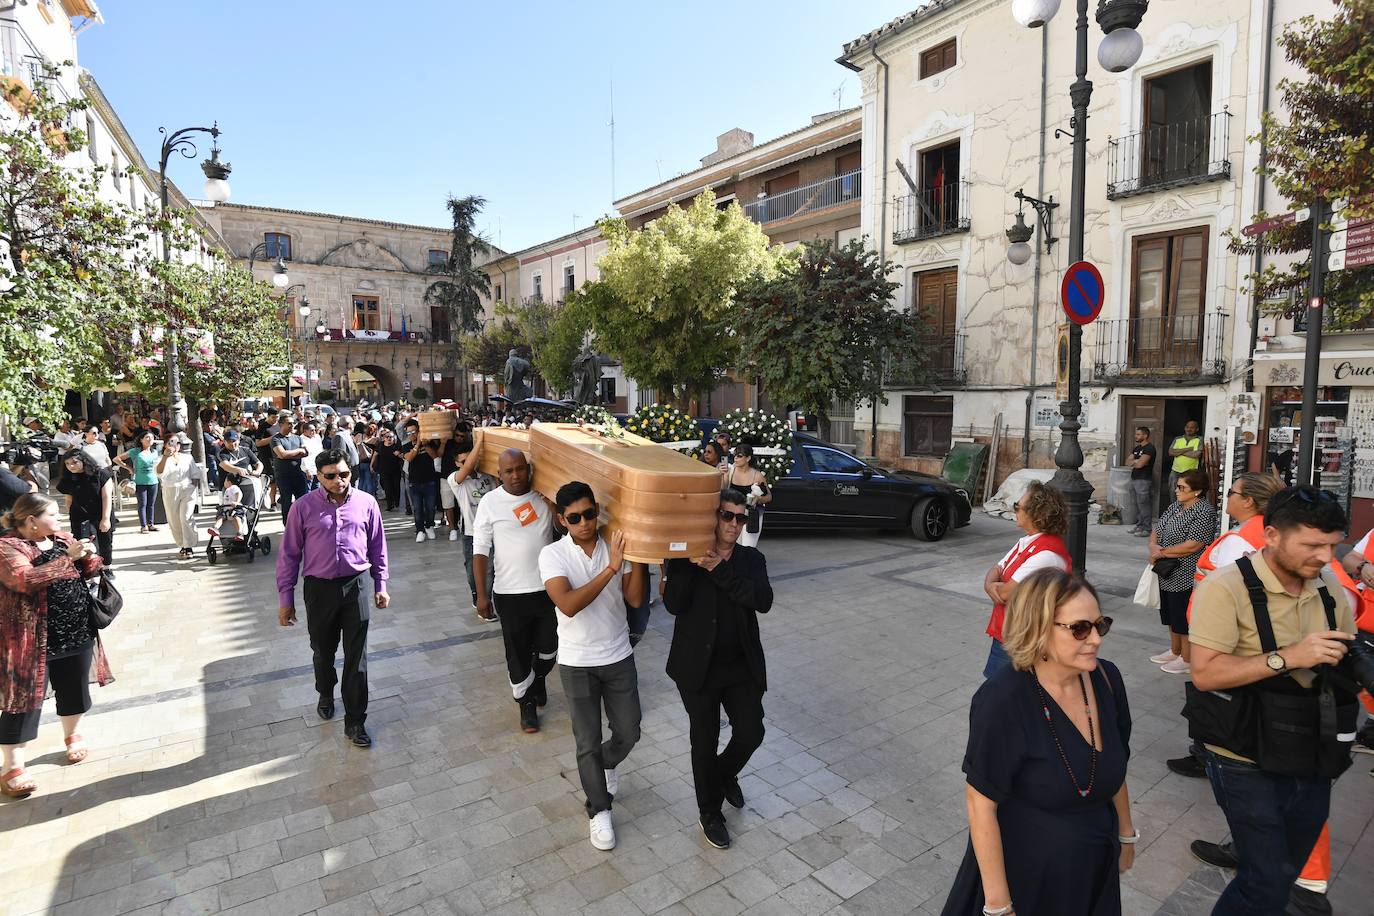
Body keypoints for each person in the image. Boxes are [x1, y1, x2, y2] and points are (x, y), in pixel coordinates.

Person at [1187, 485, 1358, 915]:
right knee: (1265, 877)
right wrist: (1290, 657)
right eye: (1312, 545)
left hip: (1310, 745)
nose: (1324, 557)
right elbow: (1205, 674)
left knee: (1285, 871)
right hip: (1243, 753)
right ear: (1273, 535)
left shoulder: (1327, 585)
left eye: (1332, 546)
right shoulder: (1226, 588)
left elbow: (1348, 649)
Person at [942, 569, 1134, 916]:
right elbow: (980, 803)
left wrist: (1126, 834)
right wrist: (999, 906)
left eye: (1100, 625)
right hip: (1027, 876)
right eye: (1080, 628)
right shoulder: (1003, 699)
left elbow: (1116, 766)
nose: (1096, 639)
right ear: (1038, 629)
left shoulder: (1107, 679)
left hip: (1093, 867)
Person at [540, 481, 648, 850]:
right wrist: (611, 569)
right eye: (574, 518)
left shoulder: (616, 544)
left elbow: (635, 600)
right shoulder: (552, 555)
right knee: (586, 741)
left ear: (597, 511)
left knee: (629, 732)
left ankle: (605, 765)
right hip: (577, 662)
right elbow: (568, 604)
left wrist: (639, 557)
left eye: (589, 514)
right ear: (562, 519)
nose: (584, 523)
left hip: (618, 655)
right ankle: (599, 809)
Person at [663, 489, 773, 850]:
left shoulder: (751, 560)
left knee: (752, 731)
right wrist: (686, 564)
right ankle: (709, 813)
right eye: (727, 515)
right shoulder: (686, 556)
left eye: (741, 518)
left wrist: (719, 569)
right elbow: (674, 604)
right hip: (698, 669)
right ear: (713, 517)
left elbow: (762, 600)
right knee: (704, 740)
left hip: (740, 666)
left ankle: (723, 774)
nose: (734, 524)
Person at [0, 494, 112, 799]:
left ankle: (73, 736)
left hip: (76, 630)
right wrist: (69, 559)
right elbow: (24, 579)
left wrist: (89, 556)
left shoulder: (62, 538)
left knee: (74, 687)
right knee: (23, 700)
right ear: (31, 520)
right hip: (30, 637)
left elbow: (88, 570)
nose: (60, 518)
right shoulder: (8, 547)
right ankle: (12, 767)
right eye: (52, 514)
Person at [276, 448, 389, 748]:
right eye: (331, 476)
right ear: (318, 476)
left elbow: (377, 546)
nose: (339, 480)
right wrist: (286, 599)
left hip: (357, 586)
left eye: (344, 474)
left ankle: (355, 721)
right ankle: (325, 692)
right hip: (319, 589)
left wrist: (381, 584)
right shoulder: (302, 507)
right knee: (323, 652)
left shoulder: (366, 503)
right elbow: (289, 555)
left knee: (357, 657)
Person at [471, 445, 558, 733]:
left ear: (529, 470)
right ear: (499, 474)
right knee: (517, 652)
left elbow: (565, 531)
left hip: (548, 589)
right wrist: (482, 595)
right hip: (509, 594)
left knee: (550, 648)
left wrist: (554, 508)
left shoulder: (544, 497)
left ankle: (538, 677)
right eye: (509, 471)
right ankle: (526, 704)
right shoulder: (490, 502)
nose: (516, 475)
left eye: (520, 469)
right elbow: (480, 550)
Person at [980, 482, 1071, 678]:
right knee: (997, 689)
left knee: (1002, 691)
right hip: (1009, 633)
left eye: (1017, 507)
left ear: (1035, 514)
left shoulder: (1046, 554)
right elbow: (997, 568)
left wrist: (994, 587)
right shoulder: (1028, 541)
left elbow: (1005, 594)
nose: (1015, 511)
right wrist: (989, 585)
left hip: (1022, 639)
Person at [1148, 469, 1216, 675]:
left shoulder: (1204, 511)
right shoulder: (1176, 505)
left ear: (1197, 491)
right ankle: (1175, 650)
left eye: (1181, 487)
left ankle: (1187, 659)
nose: (1176, 490)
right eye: (1177, 486)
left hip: (1185, 571)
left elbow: (1193, 545)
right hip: (1166, 569)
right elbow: (1157, 528)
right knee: (1169, 614)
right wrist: (1153, 546)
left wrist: (1161, 553)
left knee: (1182, 616)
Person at [446, 436, 495, 614]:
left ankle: (486, 599)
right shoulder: (455, 479)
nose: (470, 464)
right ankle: (478, 595)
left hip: (492, 531)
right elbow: (467, 468)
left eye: (472, 459)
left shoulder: (488, 477)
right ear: (457, 464)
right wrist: (480, 440)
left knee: (490, 569)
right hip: (471, 532)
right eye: (464, 461)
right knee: (471, 567)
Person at [55, 450, 114, 574]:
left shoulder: (101, 474)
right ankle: (91, 571)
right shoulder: (68, 479)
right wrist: (70, 515)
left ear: (84, 461)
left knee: (105, 542)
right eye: (67, 464)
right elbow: (69, 499)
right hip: (80, 516)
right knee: (84, 544)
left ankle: (107, 567)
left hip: (100, 513)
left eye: (74, 462)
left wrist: (105, 518)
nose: (71, 466)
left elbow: (107, 497)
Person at [157, 434, 203, 560]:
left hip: (187, 489)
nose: (175, 445)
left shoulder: (187, 457)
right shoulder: (161, 459)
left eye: (177, 443)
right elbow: (159, 472)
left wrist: (194, 488)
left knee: (186, 517)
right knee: (174, 519)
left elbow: (195, 474)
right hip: (170, 489)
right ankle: (182, 544)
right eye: (171, 442)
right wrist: (165, 457)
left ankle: (189, 545)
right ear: (165, 444)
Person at [723, 444, 771, 549]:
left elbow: (769, 497)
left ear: (748, 458)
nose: (735, 458)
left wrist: (758, 499)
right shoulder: (730, 472)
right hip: (734, 516)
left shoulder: (757, 475)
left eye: (739, 456)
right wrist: (723, 475)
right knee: (734, 547)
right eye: (735, 455)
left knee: (748, 547)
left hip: (751, 515)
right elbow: (723, 490)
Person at [115, 431, 160, 533]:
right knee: (142, 504)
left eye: (152, 438)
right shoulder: (135, 451)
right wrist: (129, 468)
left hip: (153, 480)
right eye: (147, 437)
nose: (150, 439)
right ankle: (143, 525)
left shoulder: (154, 452)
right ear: (141, 439)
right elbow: (117, 459)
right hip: (140, 481)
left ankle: (151, 523)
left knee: (151, 504)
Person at [271, 417, 310, 525]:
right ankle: (288, 525)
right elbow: (282, 454)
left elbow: (306, 452)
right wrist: (299, 451)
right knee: (286, 502)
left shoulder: (297, 438)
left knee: (303, 501)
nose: (292, 425)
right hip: (283, 476)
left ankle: (303, 524)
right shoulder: (276, 439)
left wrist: (290, 454)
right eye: (289, 423)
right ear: (281, 424)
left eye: (293, 423)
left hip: (298, 474)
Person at [403, 437, 442, 542]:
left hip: (430, 480)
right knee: (417, 508)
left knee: (430, 507)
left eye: (413, 432)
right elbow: (409, 458)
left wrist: (425, 445)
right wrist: (417, 445)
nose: (411, 435)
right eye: (409, 433)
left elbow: (435, 456)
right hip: (414, 482)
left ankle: (429, 526)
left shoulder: (429, 443)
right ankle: (420, 530)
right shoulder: (406, 446)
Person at [217, 429, 264, 511]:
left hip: (246, 483)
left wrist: (257, 471)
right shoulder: (221, 453)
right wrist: (237, 470)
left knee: (248, 509)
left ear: (238, 441)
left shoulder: (246, 450)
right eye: (229, 441)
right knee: (229, 512)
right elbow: (225, 465)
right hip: (229, 487)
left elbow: (259, 464)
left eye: (234, 441)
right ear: (224, 442)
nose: (232, 443)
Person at [1128, 426, 1156, 536]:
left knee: (1144, 504)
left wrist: (1136, 461)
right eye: (1136, 434)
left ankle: (1147, 529)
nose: (1136, 436)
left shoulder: (1149, 448)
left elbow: (1140, 465)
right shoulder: (1137, 448)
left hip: (1143, 480)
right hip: (1134, 478)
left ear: (1145, 435)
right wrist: (1138, 461)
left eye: (1138, 434)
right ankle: (1140, 525)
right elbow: (1127, 462)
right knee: (1138, 504)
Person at [1166, 419, 1203, 502]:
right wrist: (1188, 449)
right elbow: (1171, 452)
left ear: (1197, 429)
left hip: (1191, 472)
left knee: (1189, 492)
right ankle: (1174, 508)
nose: (1189, 429)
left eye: (1192, 427)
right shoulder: (1177, 439)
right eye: (1187, 427)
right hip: (1176, 470)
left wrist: (1178, 452)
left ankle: (1186, 508)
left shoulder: (1199, 439)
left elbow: (1196, 455)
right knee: (1173, 491)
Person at [371, 427, 406, 511]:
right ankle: (389, 505)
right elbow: (375, 455)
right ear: (384, 438)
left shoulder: (396, 446)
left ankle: (396, 502)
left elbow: (403, 457)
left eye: (391, 437)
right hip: (384, 471)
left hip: (395, 471)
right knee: (387, 488)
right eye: (387, 437)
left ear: (394, 438)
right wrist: (371, 465)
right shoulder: (381, 446)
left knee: (396, 487)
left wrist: (398, 454)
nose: (389, 438)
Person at [300, 422, 324, 490]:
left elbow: (320, 452)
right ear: (305, 431)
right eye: (312, 430)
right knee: (308, 490)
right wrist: (307, 470)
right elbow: (303, 457)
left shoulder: (317, 437)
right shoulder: (301, 439)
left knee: (317, 489)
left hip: (317, 468)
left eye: (315, 430)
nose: (314, 432)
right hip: (307, 469)